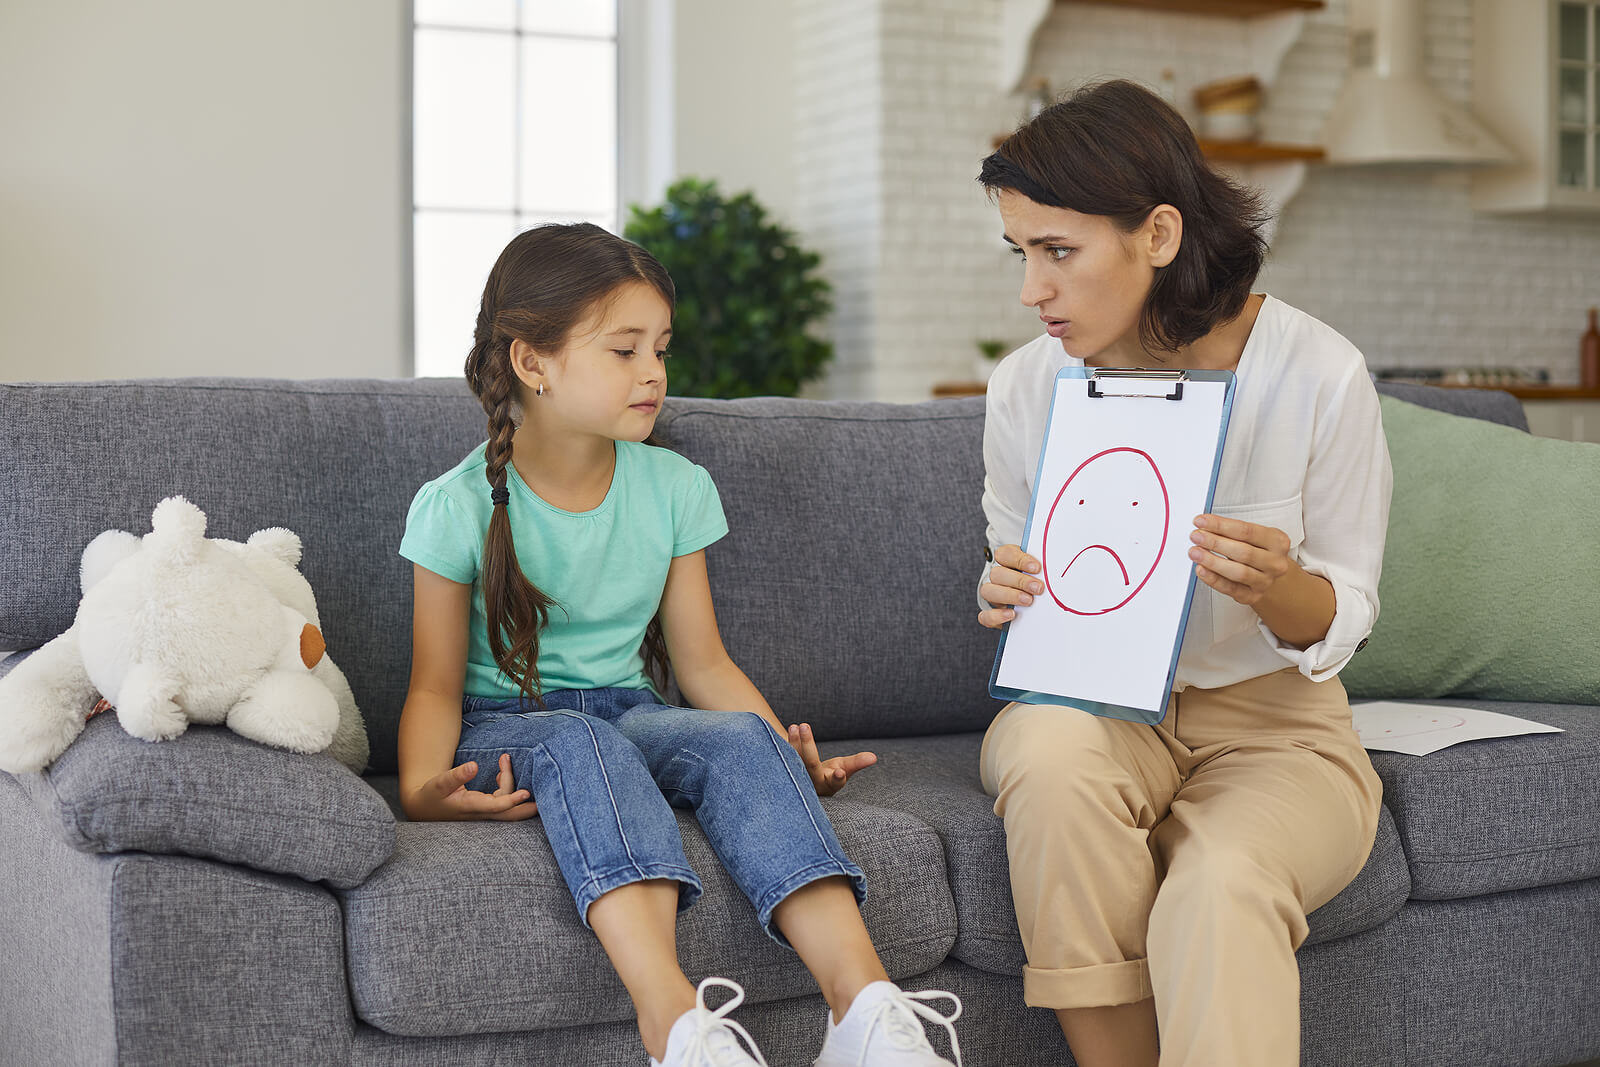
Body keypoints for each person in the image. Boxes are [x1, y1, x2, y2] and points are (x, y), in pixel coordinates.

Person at [396, 222, 963, 1067]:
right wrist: (420, 790)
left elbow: (703, 664)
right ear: (532, 362)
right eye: (624, 350)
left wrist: (781, 760)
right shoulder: (455, 504)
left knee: (736, 738)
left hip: (631, 712)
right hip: (507, 723)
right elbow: (436, 684)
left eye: (660, 348)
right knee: (579, 739)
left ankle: (867, 1014)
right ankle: (677, 1028)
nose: (654, 373)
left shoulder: (675, 487)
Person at [973, 80, 1391, 1067]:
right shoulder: (1028, 385)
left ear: (1157, 234)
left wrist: (1275, 583)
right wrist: (1004, 590)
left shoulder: (1315, 371)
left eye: (1057, 252)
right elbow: (1010, 555)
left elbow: (1349, 606)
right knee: (1046, 756)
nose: (1031, 290)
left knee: (1221, 880)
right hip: (1096, 706)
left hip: (1277, 727)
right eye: (1021, 253)